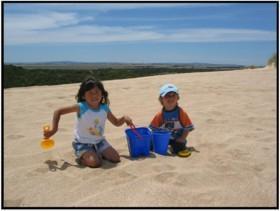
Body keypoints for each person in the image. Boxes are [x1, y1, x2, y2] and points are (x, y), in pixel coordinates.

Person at [44, 77, 133, 168]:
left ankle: (95, 153)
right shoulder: (81, 107)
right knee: (95, 163)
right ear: (83, 96)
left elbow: (116, 122)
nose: (94, 95)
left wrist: (124, 118)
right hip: (82, 143)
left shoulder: (104, 108)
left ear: (102, 94)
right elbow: (58, 111)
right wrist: (54, 129)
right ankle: (81, 155)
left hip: (99, 141)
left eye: (97, 92)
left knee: (116, 158)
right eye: (90, 93)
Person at [149, 83, 194, 157]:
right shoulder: (160, 114)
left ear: (177, 98)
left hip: (177, 138)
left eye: (173, 95)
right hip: (163, 138)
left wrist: (182, 138)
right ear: (161, 99)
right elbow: (153, 129)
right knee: (150, 146)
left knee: (179, 147)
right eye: (167, 96)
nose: (171, 98)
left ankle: (174, 148)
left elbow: (187, 127)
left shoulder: (181, 113)